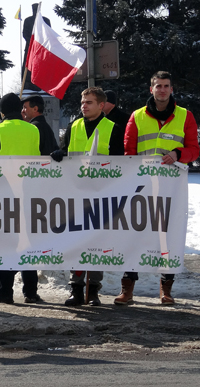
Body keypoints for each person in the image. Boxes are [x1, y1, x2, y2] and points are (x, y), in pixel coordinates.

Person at [114, 71, 199, 306]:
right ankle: (127, 289)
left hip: (171, 188)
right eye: (158, 86)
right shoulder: (137, 116)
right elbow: (129, 152)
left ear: (172, 90)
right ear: (151, 89)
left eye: (166, 86)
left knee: (167, 237)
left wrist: (178, 154)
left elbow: (194, 149)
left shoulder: (185, 116)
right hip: (140, 187)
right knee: (134, 235)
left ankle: (166, 289)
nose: (162, 90)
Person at [51, 87, 124, 306]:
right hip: (75, 193)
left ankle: (92, 291)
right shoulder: (74, 126)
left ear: (101, 105)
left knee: (96, 243)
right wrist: (59, 154)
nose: (84, 105)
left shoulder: (113, 128)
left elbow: (122, 164)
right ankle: (76, 288)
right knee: (76, 242)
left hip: (102, 195)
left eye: (89, 102)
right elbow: (66, 152)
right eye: (83, 102)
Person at [0, 93, 42, 304]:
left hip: (4, 196)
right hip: (30, 193)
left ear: (2, 111)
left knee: (6, 244)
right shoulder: (34, 129)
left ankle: (5, 292)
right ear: (21, 109)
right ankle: (31, 292)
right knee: (28, 243)